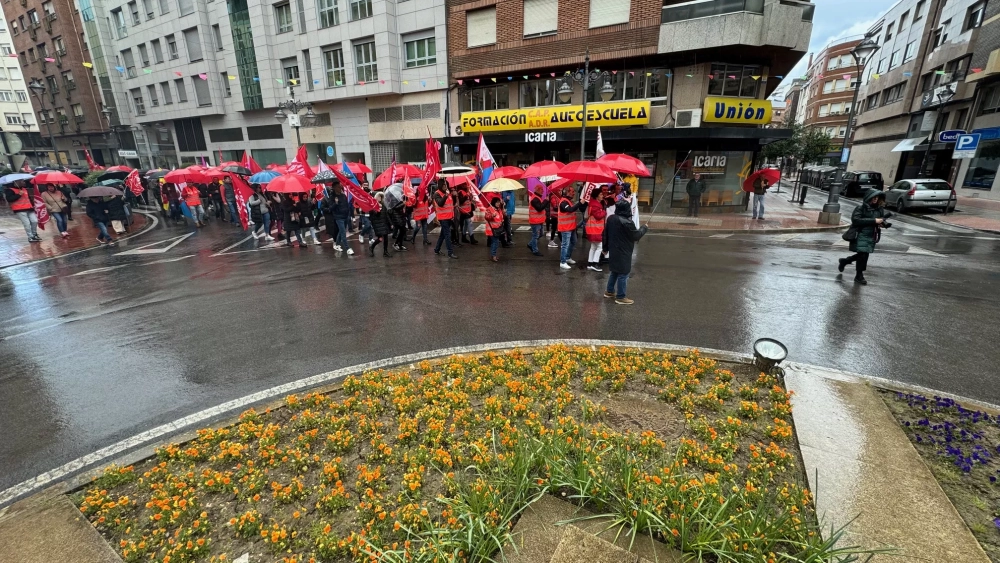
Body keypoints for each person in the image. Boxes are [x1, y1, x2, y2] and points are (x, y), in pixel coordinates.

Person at [603, 198, 649, 305]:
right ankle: (621, 296)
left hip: (613, 249)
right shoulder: (627, 222)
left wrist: (605, 248)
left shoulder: (611, 219)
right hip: (624, 250)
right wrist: (644, 228)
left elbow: (605, 234)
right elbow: (636, 235)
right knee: (623, 272)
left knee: (615, 270)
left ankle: (609, 291)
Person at [838, 189, 889, 285]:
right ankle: (859, 275)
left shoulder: (879, 209)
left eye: (877, 197)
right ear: (869, 197)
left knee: (864, 255)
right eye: (873, 197)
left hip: (871, 235)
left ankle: (845, 261)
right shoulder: (860, 208)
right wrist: (874, 221)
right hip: (860, 234)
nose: (875, 199)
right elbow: (856, 220)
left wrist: (882, 224)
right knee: (863, 255)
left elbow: (880, 220)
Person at [557, 184, 587, 270]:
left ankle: (567, 257)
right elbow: (570, 210)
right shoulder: (563, 202)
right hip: (565, 228)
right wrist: (579, 203)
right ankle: (563, 262)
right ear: (567, 192)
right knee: (565, 245)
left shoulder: (568, 201)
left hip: (571, 227)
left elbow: (572, 209)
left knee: (573, 241)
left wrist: (580, 204)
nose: (574, 193)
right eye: (572, 192)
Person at [584, 187, 608, 272]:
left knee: (593, 247)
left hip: (592, 228)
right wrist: (604, 211)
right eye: (601, 194)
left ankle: (590, 263)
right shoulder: (595, 205)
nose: (602, 195)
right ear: (597, 196)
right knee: (599, 247)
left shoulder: (593, 203)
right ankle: (595, 263)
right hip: (595, 229)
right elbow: (598, 216)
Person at [432, 182, 458, 259]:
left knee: (442, 235)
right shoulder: (437, 194)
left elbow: (450, 204)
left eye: (446, 185)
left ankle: (437, 249)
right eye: (443, 185)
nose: (445, 187)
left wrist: (455, 195)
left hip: (449, 217)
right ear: (440, 185)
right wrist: (446, 195)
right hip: (443, 218)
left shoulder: (448, 192)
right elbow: (440, 203)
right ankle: (450, 252)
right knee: (447, 235)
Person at [327, 185, 352, 254]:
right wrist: (336, 203)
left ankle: (337, 244)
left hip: (345, 216)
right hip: (338, 217)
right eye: (338, 186)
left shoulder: (343, 195)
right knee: (343, 232)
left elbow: (346, 204)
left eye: (340, 186)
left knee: (341, 231)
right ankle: (348, 248)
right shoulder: (332, 197)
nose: (340, 188)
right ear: (334, 188)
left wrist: (348, 213)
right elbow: (330, 208)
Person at [368, 192, 392, 257]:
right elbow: (374, 216)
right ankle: (372, 247)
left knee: (386, 238)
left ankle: (385, 251)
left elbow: (387, 215)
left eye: (381, 197)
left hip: (384, 224)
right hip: (377, 225)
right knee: (380, 239)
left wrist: (391, 223)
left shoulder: (383, 206)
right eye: (378, 197)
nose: (380, 198)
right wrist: (379, 209)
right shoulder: (373, 206)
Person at [527, 184, 547, 256]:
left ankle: (530, 244)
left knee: (540, 234)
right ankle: (535, 250)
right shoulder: (535, 199)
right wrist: (546, 201)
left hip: (539, 220)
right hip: (535, 221)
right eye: (541, 189)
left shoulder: (537, 198)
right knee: (535, 235)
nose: (543, 191)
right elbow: (539, 208)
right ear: (538, 190)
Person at [484, 196, 505, 262]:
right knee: (495, 242)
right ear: (494, 203)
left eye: (499, 202)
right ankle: (493, 256)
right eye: (497, 202)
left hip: (497, 229)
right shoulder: (489, 209)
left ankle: (494, 255)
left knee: (496, 242)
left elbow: (501, 217)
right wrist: (492, 216)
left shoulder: (499, 209)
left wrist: (502, 219)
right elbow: (486, 217)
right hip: (492, 230)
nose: (498, 204)